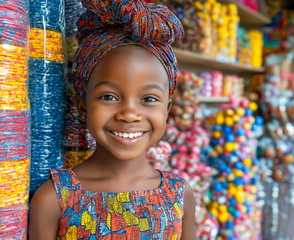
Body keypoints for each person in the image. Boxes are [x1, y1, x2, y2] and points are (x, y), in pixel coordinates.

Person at [28, 0, 196, 239]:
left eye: (148, 99)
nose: (129, 114)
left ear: (167, 109)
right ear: (83, 105)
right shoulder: (54, 199)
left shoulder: (180, 195)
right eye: (109, 96)